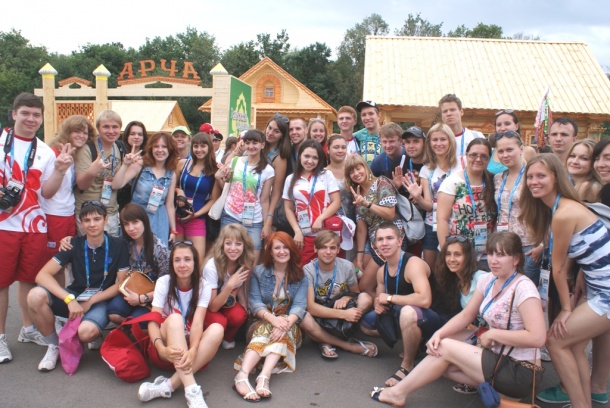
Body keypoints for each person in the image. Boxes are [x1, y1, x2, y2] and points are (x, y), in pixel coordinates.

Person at [370, 231, 546, 407]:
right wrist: (438, 334)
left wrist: (494, 335)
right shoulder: (490, 280)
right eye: (491, 254)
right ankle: (500, 392)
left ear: (516, 259)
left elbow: (538, 337)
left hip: (520, 369)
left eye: (501, 255)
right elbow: (466, 315)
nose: (493, 260)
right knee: (439, 347)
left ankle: (398, 393)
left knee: (445, 348)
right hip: (497, 355)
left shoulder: (524, 288)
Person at [520, 154, 610, 408]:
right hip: (597, 287)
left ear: (556, 178)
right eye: (530, 177)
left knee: (555, 340)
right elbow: (593, 250)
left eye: (541, 176)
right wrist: (583, 276)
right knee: (573, 345)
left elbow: (558, 268)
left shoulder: (564, 213)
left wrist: (567, 309)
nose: (534, 181)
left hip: (605, 293)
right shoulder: (561, 208)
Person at [0, 93, 74, 363]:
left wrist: (60, 170)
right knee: (1, 283)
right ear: (14, 114)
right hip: (3, 225)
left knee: (29, 279)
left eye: (36, 115)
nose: (31, 119)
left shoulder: (44, 151)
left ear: (42, 118)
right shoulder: (1, 143)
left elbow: (47, 193)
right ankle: (0, 339)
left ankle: (28, 328)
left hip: (34, 225)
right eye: (25, 113)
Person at [26, 201, 130, 371]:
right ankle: (54, 345)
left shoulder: (119, 245)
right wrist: (69, 299)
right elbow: (42, 276)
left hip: (100, 300)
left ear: (106, 220)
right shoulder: (72, 244)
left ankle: (91, 329)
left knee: (85, 333)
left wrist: (91, 301)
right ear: (81, 223)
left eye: (97, 219)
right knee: (35, 295)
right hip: (75, 297)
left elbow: (121, 283)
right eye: (87, 220)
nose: (92, 224)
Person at [137, 241, 223, 408]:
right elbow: (153, 321)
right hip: (165, 349)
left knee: (217, 329)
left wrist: (193, 349)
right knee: (175, 318)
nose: (182, 265)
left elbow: (197, 323)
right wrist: (161, 348)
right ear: (172, 263)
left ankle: (167, 386)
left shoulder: (203, 286)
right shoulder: (164, 282)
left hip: (189, 351)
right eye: (177, 260)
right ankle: (192, 391)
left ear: (195, 262)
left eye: (187, 259)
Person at [233, 232, 307, 402]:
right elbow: (254, 302)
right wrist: (274, 320)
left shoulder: (301, 275)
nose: (282, 251)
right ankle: (243, 375)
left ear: (291, 250)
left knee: (282, 332)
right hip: (261, 320)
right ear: (270, 252)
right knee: (267, 328)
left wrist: (285, 324)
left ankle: (263, 377)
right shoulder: (259, 272)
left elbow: (299, 306)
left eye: (285, 247)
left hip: (289, 323)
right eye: (277, 248)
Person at [360, 222, 435, 387]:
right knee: (366, 324)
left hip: (432, 318)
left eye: (389, 238)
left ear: (400, 241)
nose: (384, 243)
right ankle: (416, 342)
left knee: (408, 312)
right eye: (380, 239)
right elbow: (380, 298)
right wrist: (378, 304)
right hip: (403, 312)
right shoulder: (382, 271)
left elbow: (425, 300)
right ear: (375, 245)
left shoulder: (413, 264)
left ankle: (407, 365)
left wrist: (390, 299)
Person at [299, 231, 375, 359]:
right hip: (320, 314)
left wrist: (347, 297)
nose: (328, 252)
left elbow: (356, 293)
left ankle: (324, 339)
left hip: (340, 311)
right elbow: (311, 307)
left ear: (338, 249)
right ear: (315, 249)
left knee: (366, 298)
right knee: (303, 317)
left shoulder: (347, 266)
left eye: (332, 248)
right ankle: (347, 345)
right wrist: (344, 314)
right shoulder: (308, 270)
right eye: (323, 247)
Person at [43, 115, 96, 283]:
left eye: (85, 133)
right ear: (67, 132)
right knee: (56, 264)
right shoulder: (53, 153)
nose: (82, 136)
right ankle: (55, 298)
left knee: (65, 261)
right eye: (77, 132)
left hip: (68, 213)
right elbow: (45, 189)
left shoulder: (74, 154)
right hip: (54, 213)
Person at [345, 154, 406, 297]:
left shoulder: (381, 182)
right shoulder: (357, 192)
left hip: (390, 237)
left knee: (365, 286)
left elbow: (390, 214)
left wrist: (366, 204)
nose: (356, 173)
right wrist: (359, 256)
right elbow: (361, 228)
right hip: (372, 240)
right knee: (353, 273)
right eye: (351, 172)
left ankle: (388, 305)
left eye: (358, 168)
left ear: (365, 168)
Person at [435, 235, 488, 394]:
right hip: (479, 332)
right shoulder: (455, 280)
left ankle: (493, 386)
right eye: (448, 254)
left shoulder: (481, 278)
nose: (451, 259)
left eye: (457, 254)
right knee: (441, 352)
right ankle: (482, 384)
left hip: (494, 336)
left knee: (445, 358)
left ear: (468, 257)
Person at [404, 124, 459, 272]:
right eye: (435, 140)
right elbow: (428, 205)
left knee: (453, 268)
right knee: (431, 269)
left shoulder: (461, 165)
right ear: (429, 143)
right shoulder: (426, 169)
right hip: (432, 224)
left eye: (443, 139)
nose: (438, 143)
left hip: (456, 224)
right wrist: (418, 198)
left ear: (450, 140)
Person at [436, 138, 497, 268]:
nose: (478, 159)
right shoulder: (452, 182)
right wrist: (447, 253)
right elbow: (442, 220)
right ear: (466, 155)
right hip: (458, 253)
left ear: (489, 159)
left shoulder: (493, 181)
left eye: (484, 156)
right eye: (474, 155)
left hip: (486, 253)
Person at [216, 129, 274, 260]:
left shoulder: (268, 170)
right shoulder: (235, 162)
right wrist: (218, 177)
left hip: (254, 219)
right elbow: (226, 186)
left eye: (255, 143)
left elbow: (265, 200)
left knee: (252, 259)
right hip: (230, 215)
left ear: (262, 145)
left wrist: (266, 224)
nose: (251, 146)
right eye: (248, 143)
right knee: (226, 256)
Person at [106, 203, 170, 324]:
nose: (131, 228)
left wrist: (142, 298)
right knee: (114, 312)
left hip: (152, 296)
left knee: (138, 321)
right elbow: (103, 241)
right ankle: (128, 331)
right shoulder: (124, 243)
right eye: (126, 224)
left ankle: (137, 331)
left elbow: (167, 285)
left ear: (144, 221)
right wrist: (70, 240)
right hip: (129, 291)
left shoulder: (159, 248)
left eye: (135, 222)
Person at [493, 131, 543, 283]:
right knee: (505, 288)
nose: (505, 155)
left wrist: (543, 245)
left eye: (509, 150)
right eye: (501, 151)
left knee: (526, 288)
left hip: (528, 245)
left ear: (521, 149)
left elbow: (546, 210)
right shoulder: (498, 178)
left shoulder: (532, 176)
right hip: (504, 244)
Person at [112, 132, 178, 246]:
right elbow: (116, 185)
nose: (160, 150)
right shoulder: (140, 165)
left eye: (164, 146)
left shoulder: (171, 174)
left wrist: (173, 229)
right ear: (151, 148)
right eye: (156, 146)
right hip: (136, 216)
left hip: (159, 219)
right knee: (134, 250)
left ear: (170, 149)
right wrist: (125, 165)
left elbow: (170, 205)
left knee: (156, 252)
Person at [283, 139, 340, 266]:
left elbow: (336, 202)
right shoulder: (290, 179)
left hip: (326, 235)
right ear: (300, 156)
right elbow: (288, 208)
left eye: (315, 158)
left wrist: (320, 218)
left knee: (328, 271)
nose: (310, 161)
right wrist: (297, 231)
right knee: (304, 271)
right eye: (307, 156)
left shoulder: (326, 175)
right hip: (304, 236)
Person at [203, 224, 255, 350]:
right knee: (220, 322)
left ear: (245, 245)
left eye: (238, 244)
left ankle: (228, 337)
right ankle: (208, 338)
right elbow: (213, 307)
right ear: (222, 245)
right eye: (228, 243)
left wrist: (243, 302)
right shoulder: (211, 266)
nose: (233, 248)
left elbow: (239, 286)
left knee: (240, 314)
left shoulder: (245, 261)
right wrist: (230, 284)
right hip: (207, 306)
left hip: (225, 301)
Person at [74, 109, 125, 237]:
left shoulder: (118, 147)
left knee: (110, 248)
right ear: (98, 128)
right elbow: (81, 185)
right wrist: (92, 172)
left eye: (115, 127)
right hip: (89, 214)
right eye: (106, 127)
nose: (111, 131)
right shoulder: (87, 148)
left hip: (111, 213)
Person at [174, 132, 219, 266]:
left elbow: (214, 199)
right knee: (177, 259)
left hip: (197, 219)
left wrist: (195, 215)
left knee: (197, 262)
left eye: (203, 146)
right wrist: (179, 191)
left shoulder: (214, 170)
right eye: (196, 146)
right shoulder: (182, 164)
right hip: (177, 216)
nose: (199, 150)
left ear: (209, 147)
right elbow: (171, 186)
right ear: (191, 147)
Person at [437, 94, 485, 169]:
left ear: (461, 112)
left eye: (452, 110)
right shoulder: (437, 141)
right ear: (441, 116)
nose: (449, 114)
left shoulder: (476, 137)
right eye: (445, 111)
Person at [263, 114, 291, 234]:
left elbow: (276, 192)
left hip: (266, 205)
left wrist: (269, 218)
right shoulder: (258, 146)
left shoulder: (279, 158)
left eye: (276, 131)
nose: (270, 133)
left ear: (282, 136)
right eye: (269, 128)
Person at [489, 109, 536, 174]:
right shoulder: (491, 152)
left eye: (507, 124)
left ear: (516, 126)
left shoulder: (528, 151)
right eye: (499, 125)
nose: (502, 128)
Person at [117, 120, 148, 210]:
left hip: (139, 202)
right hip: (118, 199)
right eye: (132, 134)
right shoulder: (119, 152)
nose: (136, 137)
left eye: (140, 134)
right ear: (127, 135)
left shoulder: (148, 157)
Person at [354, 100, 382, 166]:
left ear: (378, 115)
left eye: (371, 114)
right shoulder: (357, 136)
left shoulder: (387, 135)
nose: (367, 118)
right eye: (364, 115)